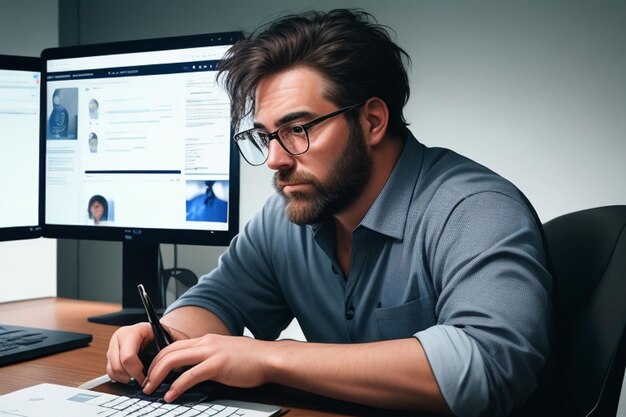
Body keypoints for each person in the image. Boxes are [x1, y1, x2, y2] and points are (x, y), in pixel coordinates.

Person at [107, 9, 552, 416]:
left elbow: (492, 362)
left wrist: (269, 357)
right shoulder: (288, 215)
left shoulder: (474, 210)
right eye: (266, 136)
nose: (276, 160)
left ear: (373, 121)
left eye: (297, 129)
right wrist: (171, 338)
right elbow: (216, 301)